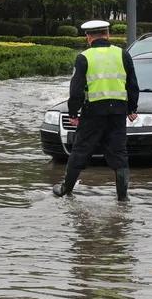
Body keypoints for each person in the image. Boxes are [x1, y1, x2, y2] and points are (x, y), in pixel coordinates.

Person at [53, 20, 139, 201]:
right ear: (107, 34)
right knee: (119, 153)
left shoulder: (84, 57)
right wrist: (132, 108)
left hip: (93, 113)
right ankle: (123, 198)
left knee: (80, 150)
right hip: (117, 113)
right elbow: (132, 85)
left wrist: (73, 113)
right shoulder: (122, 54)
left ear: (88, 37)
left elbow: (75, 90)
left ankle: (65, 189)